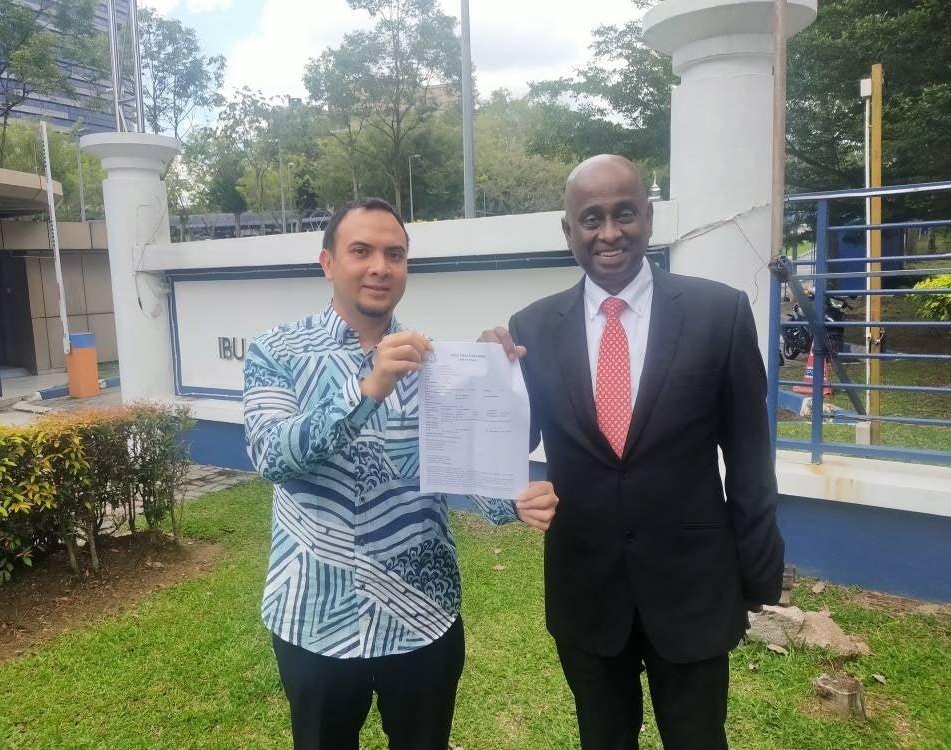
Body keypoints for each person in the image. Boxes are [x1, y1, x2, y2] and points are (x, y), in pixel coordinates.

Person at [481, 155, 785, 750]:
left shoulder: (717, 314)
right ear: (568, 232)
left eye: (625, 213)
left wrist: (754, 575)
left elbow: (750, 457)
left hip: (694, 587)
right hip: (586, 592)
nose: (609, 232)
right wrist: (491, 381)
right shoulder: (533, 327)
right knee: (603, 738)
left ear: (649, 217)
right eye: (590, 219)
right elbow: (512, 446)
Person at [242, 197, 558, 750]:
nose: (379, 267)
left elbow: (453, 473)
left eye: (395, 254)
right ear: (327, 263)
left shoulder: (433, 363)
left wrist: (513, 501)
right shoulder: (277, 352)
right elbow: (272, 456)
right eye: (360, 251)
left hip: (421, 614)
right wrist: (368, 391)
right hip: (315, 614)